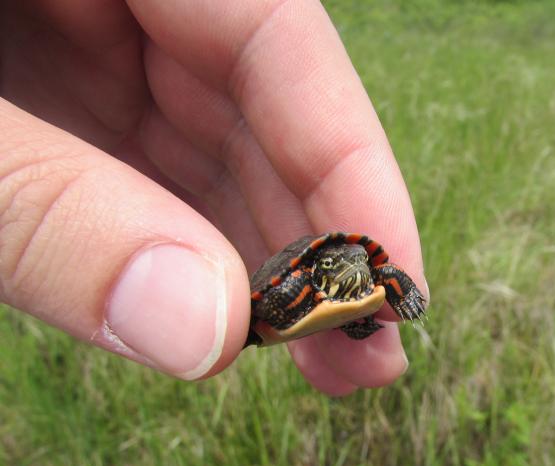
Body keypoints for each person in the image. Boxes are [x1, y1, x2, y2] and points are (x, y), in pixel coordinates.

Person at [0, 0, 427, 395]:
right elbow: (276, 296)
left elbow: (383, 270)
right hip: (292, 297)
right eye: (341, 260)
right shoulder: (302, 281)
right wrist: (271, 313)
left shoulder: (366, 272)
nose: (355, 262)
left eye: (354, 259)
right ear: (322, 268)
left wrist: (400, 291)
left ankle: (354, 325)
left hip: (337, 307)